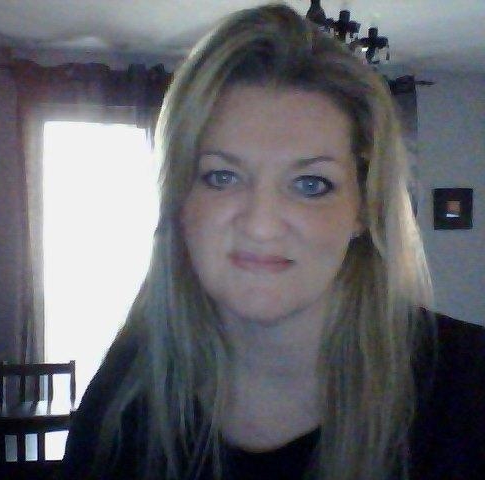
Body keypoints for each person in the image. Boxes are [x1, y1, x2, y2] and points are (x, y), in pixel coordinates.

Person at [62, 4, 485, 480]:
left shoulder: (469, 386)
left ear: (363, 209)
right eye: (221, 176)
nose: (261, 226)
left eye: (311, 184)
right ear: (180, 198)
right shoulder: (127, 394)